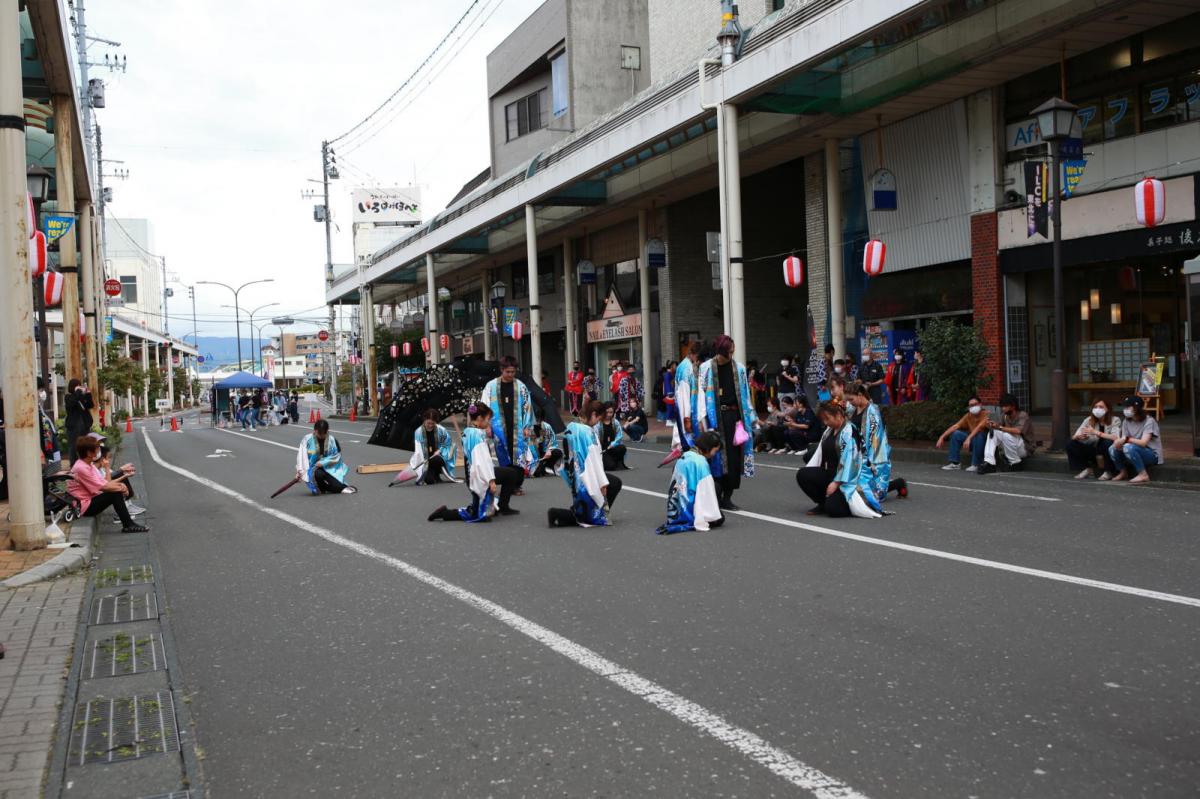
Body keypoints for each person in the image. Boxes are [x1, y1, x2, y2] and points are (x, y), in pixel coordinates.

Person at [696, 335, 756, 511]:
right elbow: (701, 394)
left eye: (732, 351)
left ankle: (728, 497)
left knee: (734, 457)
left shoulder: (739, 369)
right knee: (715, 456)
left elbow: (744, 394)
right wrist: (701, 418)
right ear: (720, 352)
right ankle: (715, 493)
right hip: (714, 418)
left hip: (735, 418)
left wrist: (751, 417)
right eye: (729, 351)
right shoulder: (706, 368)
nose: (732, 354)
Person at [794, 401, 881, 518]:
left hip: (848, 479)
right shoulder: (828, 431)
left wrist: (836, 483)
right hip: (831, 472)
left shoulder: (849, 431)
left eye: (827, 419)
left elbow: (851, 463)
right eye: (823, 420)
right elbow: (820, 453)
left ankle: (845, 505)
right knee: (803, 475)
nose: (825, 422)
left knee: (834, 510)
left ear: (839, 415)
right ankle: (822, 503)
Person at [429, 404, 504, 523]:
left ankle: (450, 512)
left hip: (471, 471)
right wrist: (491, 480)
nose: (489, 423)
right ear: (479, 418)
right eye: (487, 419)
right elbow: (483, 460)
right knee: (478, 514)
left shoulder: (468, 431)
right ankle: (445, 513)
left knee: (479, 506)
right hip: (478, 474)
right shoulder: (477, 435)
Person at [547, 417, 621, 528]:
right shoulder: (583, 432)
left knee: (613, 482)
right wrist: (601, 480)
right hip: (584, 474)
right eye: (598, 417)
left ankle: (564, 514)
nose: (598, 421)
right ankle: (592, 514)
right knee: (585, 514)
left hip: (579, 472)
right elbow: (591, 458)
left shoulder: (574, 429)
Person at [68, 436, 148, 533]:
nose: (99, 451)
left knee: (116, 490)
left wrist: (121, 485)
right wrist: (121, 488)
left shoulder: (88, 464)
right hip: (83, 506)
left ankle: (128, 523)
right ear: (89, 453)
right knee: (115, 493)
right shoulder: (82, 468)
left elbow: (105, 482)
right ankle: (128, 524)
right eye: (97, 449)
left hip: (90, 500)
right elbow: (103, 487)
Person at [846, 381, 907, 501]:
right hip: (857, 451)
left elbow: (876, 441)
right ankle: (898, 483)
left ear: (859, 394)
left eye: (851, 399)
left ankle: (898, 483)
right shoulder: (853, 409)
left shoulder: (873, 412)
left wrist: (871, 460)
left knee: (875, 492)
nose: (850, 402)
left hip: (872, 452)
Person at [657, 431, 725, 534]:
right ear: (708, 447)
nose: (714, 454)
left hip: (675, 505)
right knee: (719, 516)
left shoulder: (686, 455)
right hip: (689, 506)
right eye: (715, 450)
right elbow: (706, 492)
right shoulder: (701, 462)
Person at [479, 355, 534, 472]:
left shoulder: (521, 387)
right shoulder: (490, 386)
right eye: (508, 371)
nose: (510, 374)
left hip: (517, 428)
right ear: (501, 369)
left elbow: (527, 407)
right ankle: (508, 485)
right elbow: (484, 407)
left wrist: (527, 427)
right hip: (498, 428)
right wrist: (487, 426)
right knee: (502, 455)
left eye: (513, 372)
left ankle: (517, 486)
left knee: (519, 456)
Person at [1107, 396, 1163, 484]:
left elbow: (1143, 443)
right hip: (1133, 450)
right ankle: (1122, 472)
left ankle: (1143, 474)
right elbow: (1124, 438)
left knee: (1128, 447)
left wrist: (1126, 439)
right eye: (1125, 407)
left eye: (1128, 407)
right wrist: (1119, 442)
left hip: (1151, 454)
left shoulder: (1149, 421)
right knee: (1112, 448)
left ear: (1137, 408)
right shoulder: (1126, 421)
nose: (1125, 410)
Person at [296, 419, 356, 494]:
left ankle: (329, 487)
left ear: (327, 431)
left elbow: (337, 456)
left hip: (330, 468)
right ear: (314, 430)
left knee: (338, 486)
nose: (321, 436)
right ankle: (321, 487)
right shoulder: (306, 439)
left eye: (323, 434)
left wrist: (323, 462)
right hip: (313, 469)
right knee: (318, 474)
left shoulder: (332, 440)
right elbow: (302, 457)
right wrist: (300, 472)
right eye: (319, 433)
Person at [1066, 399, 1120, 479]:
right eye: (1095, 407)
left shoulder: (1115, 420)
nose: (1098, 409)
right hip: (1093, 449)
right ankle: (1086, 468)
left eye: (1101, 407)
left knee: (1107, 442)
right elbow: (1075, 436)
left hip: (1106, 450)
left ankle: (1108, 471)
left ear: (1107, 409)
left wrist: (1096, 432)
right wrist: (1080, 437)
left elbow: (1115, 437)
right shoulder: (1088, 420)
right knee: (1071, 443)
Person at [980, 393, 1034, 474]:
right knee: (993, 433)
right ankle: (989, 463)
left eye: (1005, 406)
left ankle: (1015, 463)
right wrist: (990, 425)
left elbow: (1018, 431)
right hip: (1011, 446)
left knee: (1006, 434)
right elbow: (997, 428)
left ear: (1013, 406)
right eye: (1002, 406)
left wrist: (1000, 427)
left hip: (1025, 448)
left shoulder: (1023, 415)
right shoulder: (1004, 416)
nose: (1003, 409)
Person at [935, 395, 990, 471]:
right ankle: (955, 463)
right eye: (971, 405)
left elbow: (979, 427)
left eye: (975, 404)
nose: (973, 407)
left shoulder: (987, 414)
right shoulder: (968, 416)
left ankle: (976, 464)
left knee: (979, 435)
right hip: (972, 441)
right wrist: (942, 437)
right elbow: (956, 426)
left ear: (980, 404)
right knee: (956, 434)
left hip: (984, 443)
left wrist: (968, 438)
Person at [97, 445, 147, 518]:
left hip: (102, 489)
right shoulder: (95, 468)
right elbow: (106, 484)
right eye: (108, 457)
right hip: (98, 494)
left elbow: (109, 478)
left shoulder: (100, 467)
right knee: (119, 478)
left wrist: (123, 472)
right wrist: (122, 472)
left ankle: (128, 505)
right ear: (102, 459)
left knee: (120, 475)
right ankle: (124, 510)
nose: (108, 460)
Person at [409, 409, 457, 485]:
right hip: (426, 459)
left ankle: (437, 473)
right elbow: (418, 451)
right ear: (424, 420)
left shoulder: (441, 430)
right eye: (428, 423)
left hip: (438, 456)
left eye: (433, 423)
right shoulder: (418, 432)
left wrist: (440, 450)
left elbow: (448, 444)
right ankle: (433, 475)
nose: (430, 425)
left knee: (437, 459)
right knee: (429, 480)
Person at [671, 342, 703, 454]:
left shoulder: (683, 365)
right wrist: (687, 419)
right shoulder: (687, 368)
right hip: (686, 409)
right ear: (694, 355)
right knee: (686, 441)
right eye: (699, 358)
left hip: (682, 407)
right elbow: (684, 396)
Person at [64, 379, 94, 462]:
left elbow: (90, 405)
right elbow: (72, 403)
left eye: (80, 385)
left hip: (84, 425)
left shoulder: (81, 396)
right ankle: (74, 465)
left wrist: (88, 394)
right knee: (73, 447)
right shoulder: (68, 397)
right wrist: (78, 392)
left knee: (85, 446)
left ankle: (85, 463)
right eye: (78, 385)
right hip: (73, 427)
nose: (80, 387)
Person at [593, 402, 628, 471]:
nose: (609, 414)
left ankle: (616, 461)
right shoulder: (598, 423)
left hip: (612, 447)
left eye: (611, 412)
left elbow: (619, 435)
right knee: (610, 466)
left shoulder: (615, 422)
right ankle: (605, 461)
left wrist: (614, 443)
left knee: (622, 448)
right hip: (602, 449)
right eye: (607, 412)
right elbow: (595, 438)